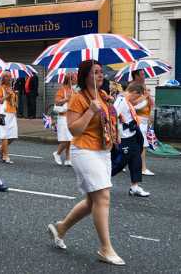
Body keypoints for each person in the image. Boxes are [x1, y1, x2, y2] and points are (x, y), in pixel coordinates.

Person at [47, 60, 125, 266]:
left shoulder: (103, 96)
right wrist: (90, 110)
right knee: (103, 196)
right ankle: (105, 248)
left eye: (101, 72)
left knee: (93, 202)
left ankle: (61, 228)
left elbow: (106, 123)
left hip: (102, 151)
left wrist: (115, 124)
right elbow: (74, 130)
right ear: (85, 76)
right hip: (83, 150)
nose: (100, 75)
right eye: (96, 72)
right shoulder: (78, 98)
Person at [111, 83, 150, 197]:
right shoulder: (121, 101)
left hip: (132, 134)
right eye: (137, 96)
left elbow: (134, 107)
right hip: (124, 136)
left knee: (136, 160)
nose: (136, 99)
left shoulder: (127, 100)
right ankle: (101, 180)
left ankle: (135, 187)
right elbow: (113, 117)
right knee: (120, 163)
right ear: (134, 92)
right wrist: (116, 134)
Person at [131, 70, 155, 176]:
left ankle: (127, 163)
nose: (144, 76)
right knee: (143, 145)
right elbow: (131, 104)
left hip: (145, 119)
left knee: (137, 145)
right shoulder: (133, 87)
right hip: (138, 119)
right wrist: (144, 97)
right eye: (142, 74)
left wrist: (148, 96)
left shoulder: (143, 86)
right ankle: (142, 168)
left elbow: (151, 104)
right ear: (136, 76)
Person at [52, 73, 76, 166]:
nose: (76, 80)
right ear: (69, 80)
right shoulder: (62, 90)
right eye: (74, 78)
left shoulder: (73, 90)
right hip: (63, 117)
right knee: (66, 139)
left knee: (70, 139)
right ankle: (57, 153)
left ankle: (68, 158)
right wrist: (66, 99)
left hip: (72, 116)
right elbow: (57, 102)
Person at [0, 72, 18, 164]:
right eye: (7, 77)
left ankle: (0, 148)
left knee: (13, 136)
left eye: (10, 77)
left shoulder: (11, 89)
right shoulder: (0, 88)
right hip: (4, 114)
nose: (9, 78)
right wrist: (7, 95)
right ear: (3, 78)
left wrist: (15, 95)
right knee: (4, 135)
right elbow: (0, 101)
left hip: (12, 113)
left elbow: (15, 104)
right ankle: (5, 156)